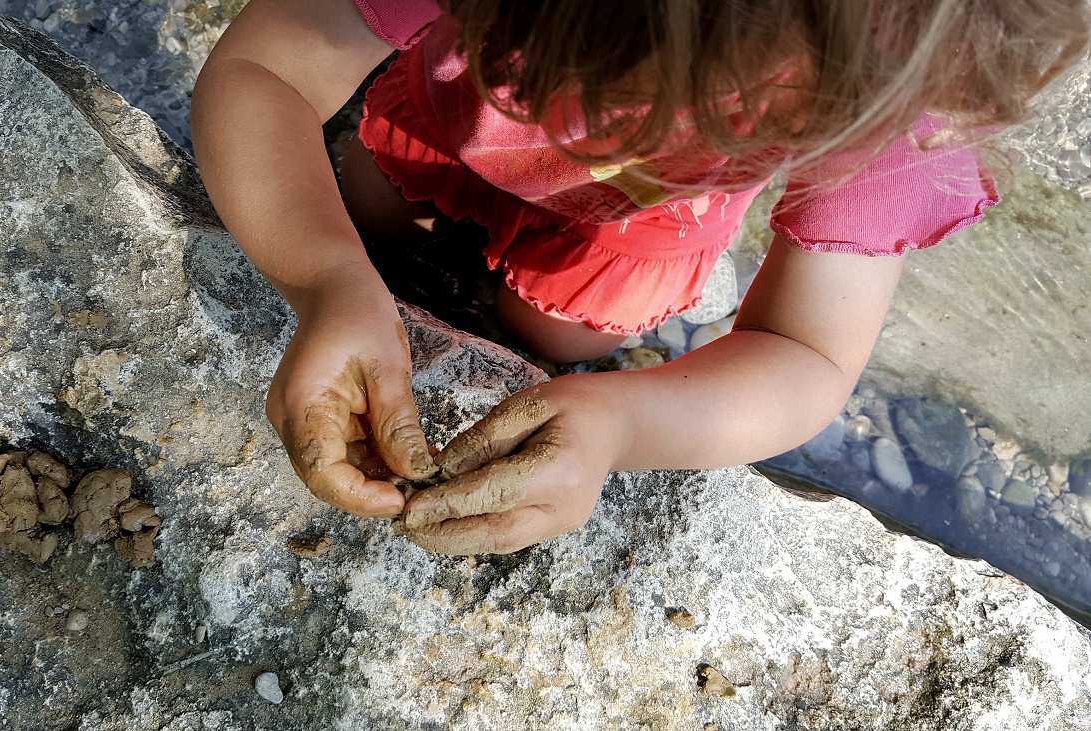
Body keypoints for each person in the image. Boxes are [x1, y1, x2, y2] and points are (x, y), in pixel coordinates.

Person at [190, 0, 1088, 555]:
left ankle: (534, 348)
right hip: (438, 131)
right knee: (373, 225)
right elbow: (265, 70)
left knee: (550, 337)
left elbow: (804, 353)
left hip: (629, 243)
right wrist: (326, 273)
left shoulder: (894, 86)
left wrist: (621, 425)